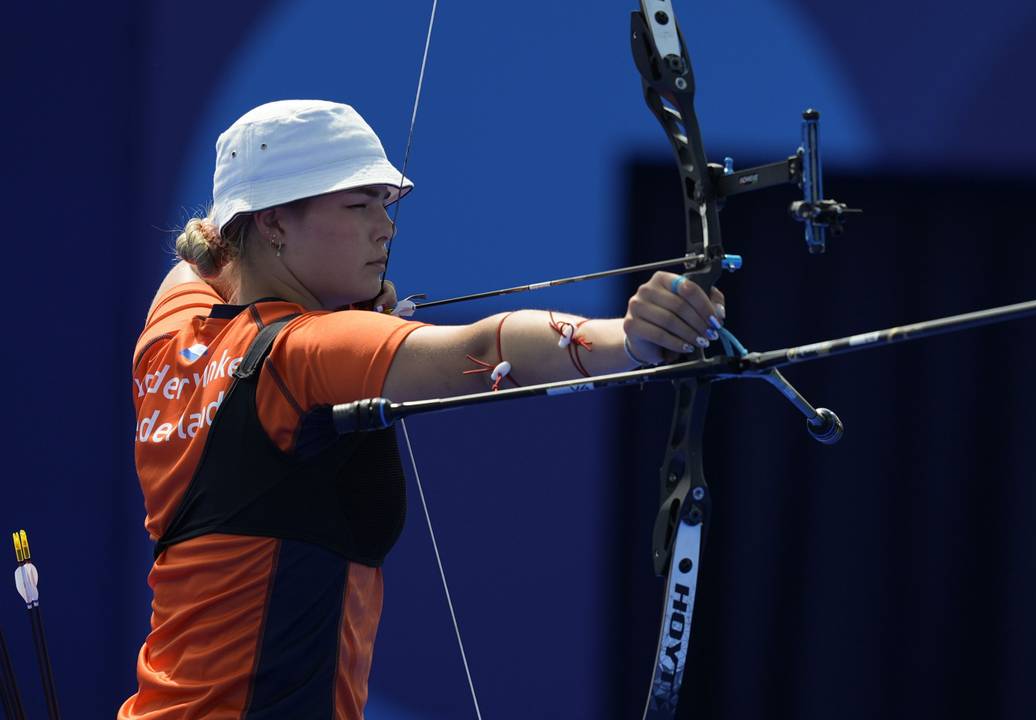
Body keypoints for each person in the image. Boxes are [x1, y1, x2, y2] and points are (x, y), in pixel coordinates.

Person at [119, 99, 726, 719]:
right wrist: (630, 340)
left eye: (386, 203)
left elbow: (196, 261)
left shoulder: (170, 335)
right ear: (274, 222)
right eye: (359, 205)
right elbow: (482, 347)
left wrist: (338, 305)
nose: (386, 227)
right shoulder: (304, 351)